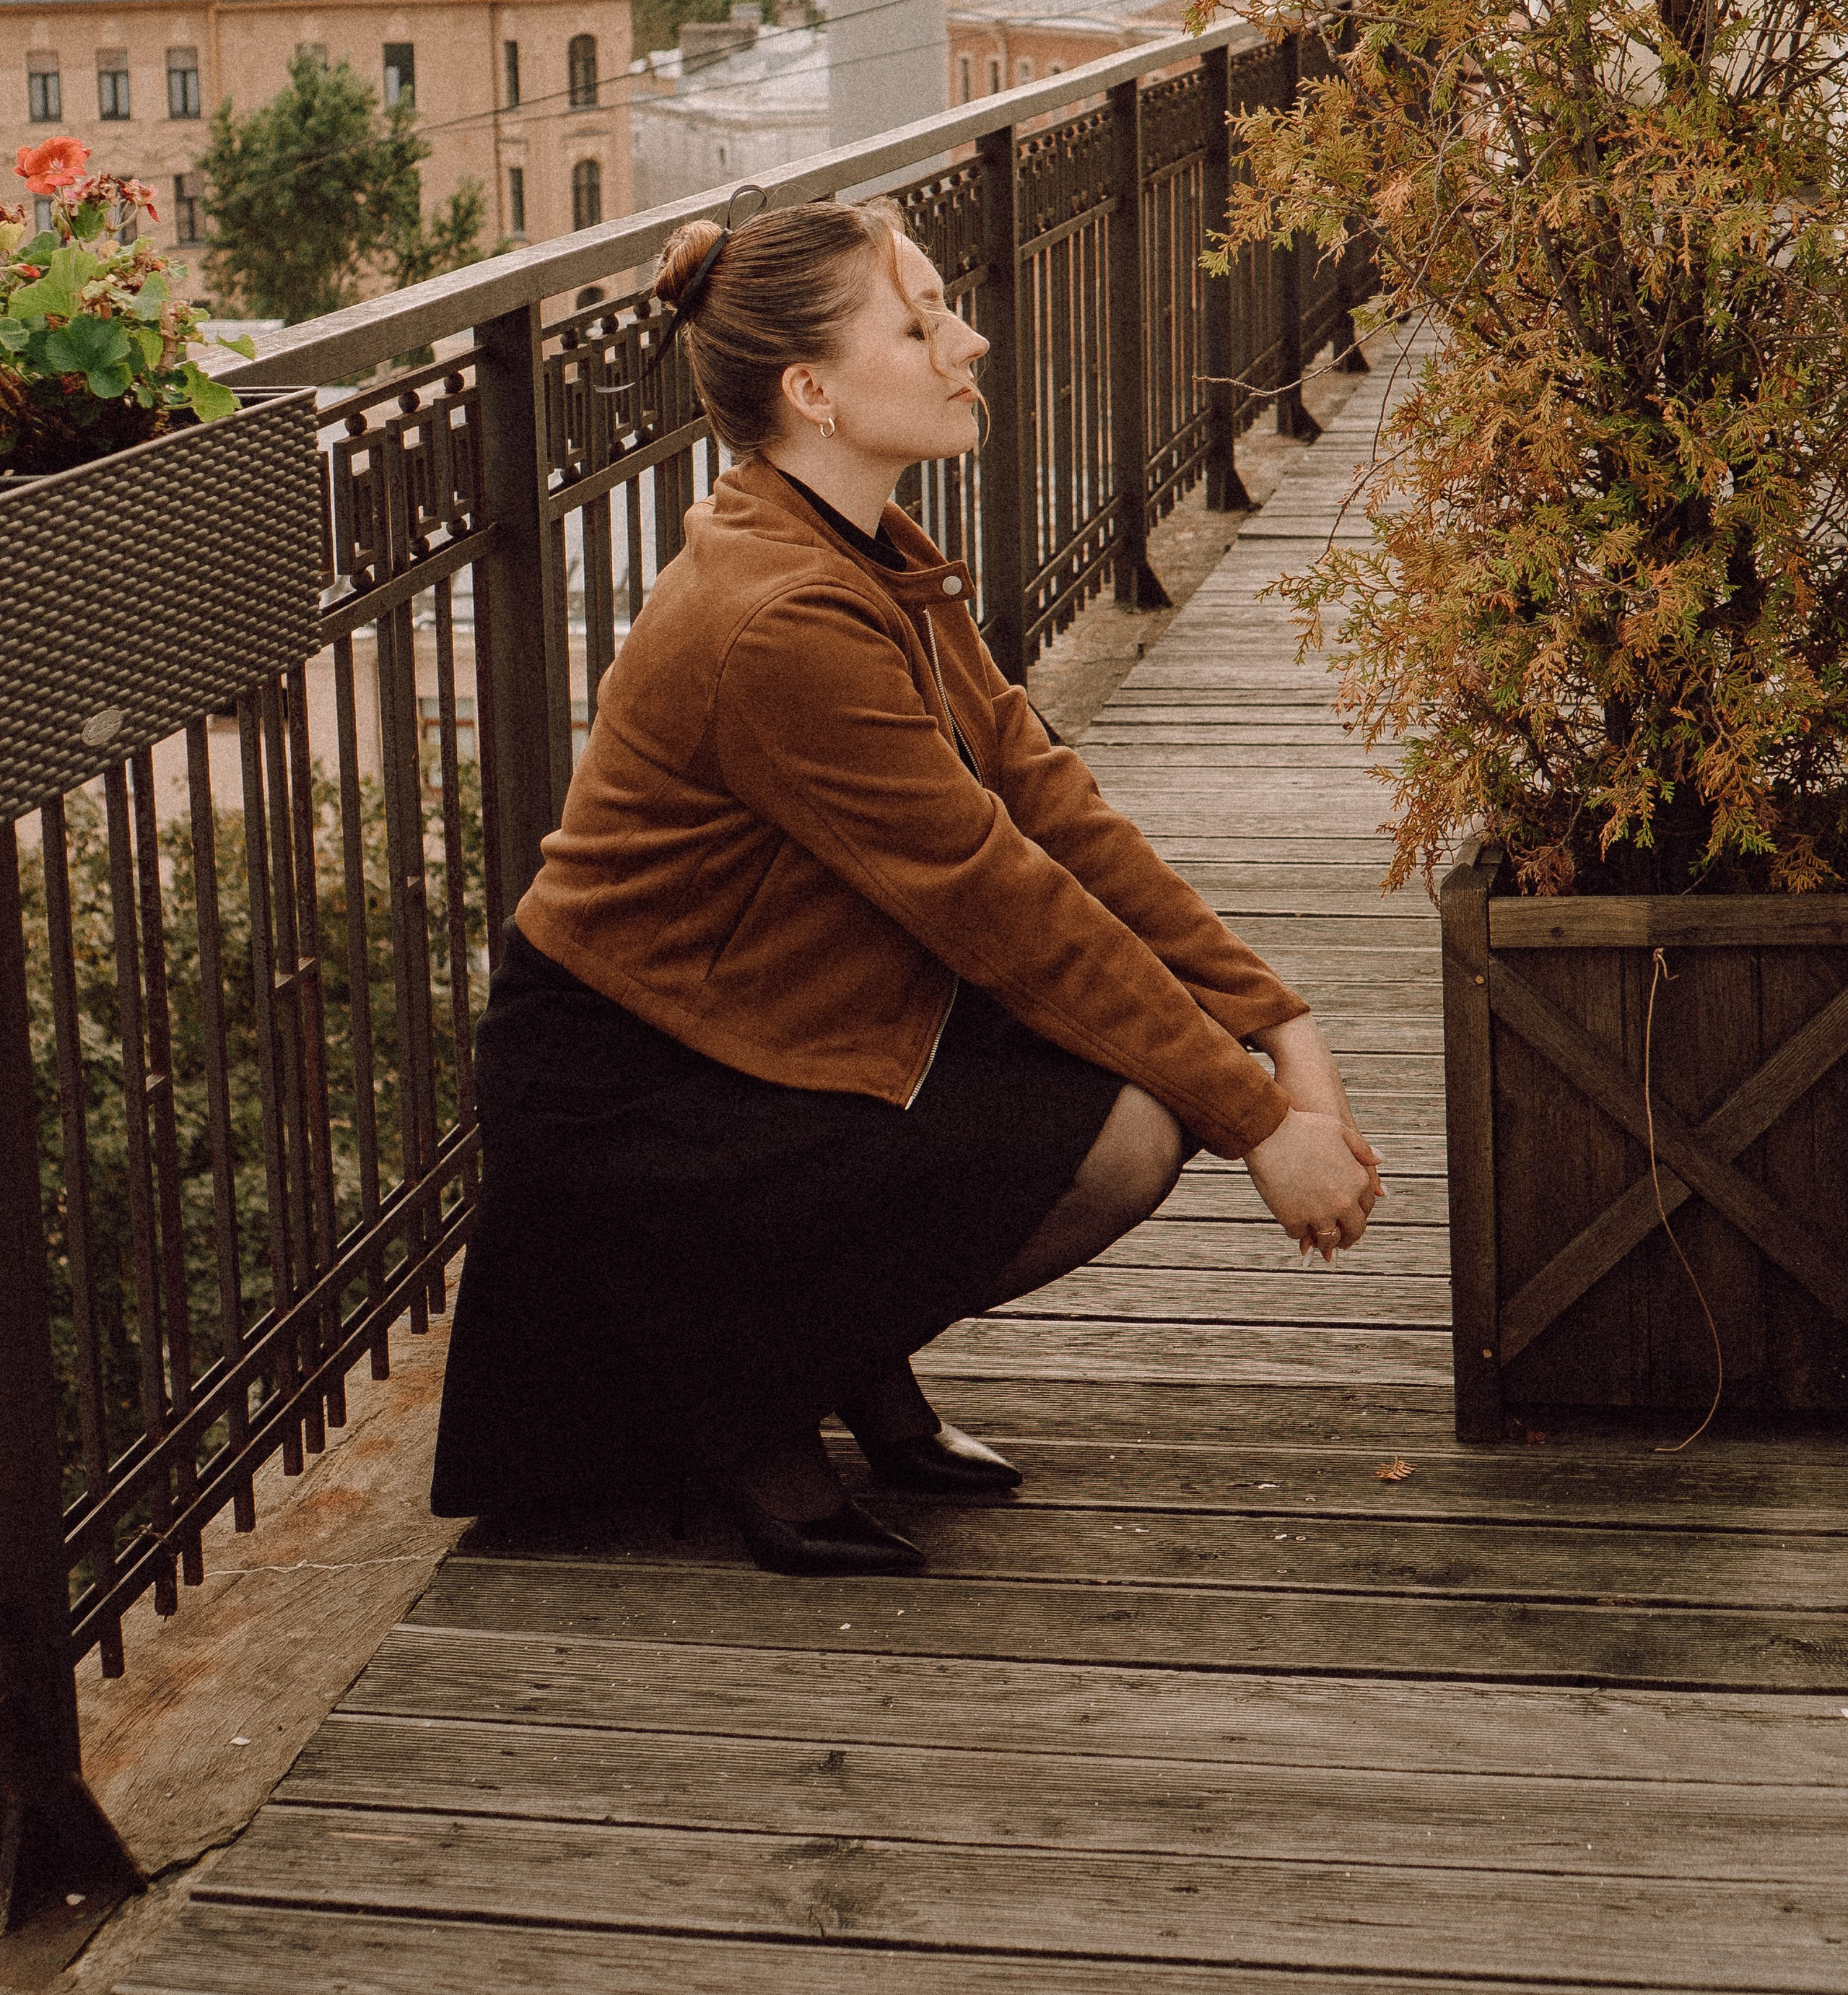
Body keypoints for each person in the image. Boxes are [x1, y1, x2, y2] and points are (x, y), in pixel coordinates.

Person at [432, 197, 1380, 1574]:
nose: (970, 343)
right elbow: (1003, 903)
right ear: (810, 391)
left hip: (775, 1014)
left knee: (1128, 1096)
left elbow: (1052, 809)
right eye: (922, 323)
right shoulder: (778, 621)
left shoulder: (860, 548)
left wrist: (1278, 1022)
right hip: (637, 1081)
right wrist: (1255, 1120)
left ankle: (838, 1358)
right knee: (1127, 1133)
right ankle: (755, 1397)